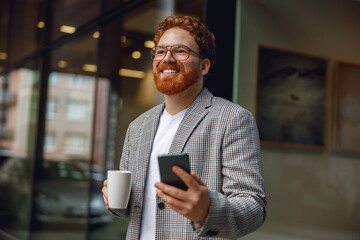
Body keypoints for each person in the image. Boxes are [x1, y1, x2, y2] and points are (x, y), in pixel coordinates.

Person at [102, 15, 266, 239]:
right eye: (160, 51)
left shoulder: (233, 119)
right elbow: (140, 207)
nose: (167, 58)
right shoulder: (138, 127)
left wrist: (208, 209)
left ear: (204, 66)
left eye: (180, 51)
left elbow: (254, 206)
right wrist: (116, 201)